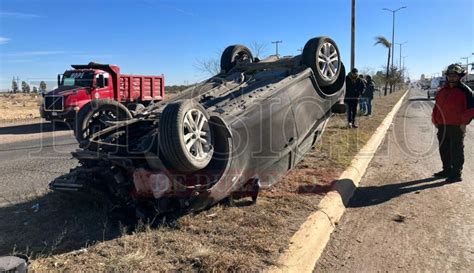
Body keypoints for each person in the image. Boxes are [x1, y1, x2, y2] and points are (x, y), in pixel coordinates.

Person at [432, 64, 474, 182]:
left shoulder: (466, 91)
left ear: (459, 76)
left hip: (456, 126)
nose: (452, 78)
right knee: (443, 149)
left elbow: (471, 109)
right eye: (450, 75)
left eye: (455, 75)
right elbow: (437, 107)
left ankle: (456, 174)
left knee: (456, 150)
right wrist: (435, 120)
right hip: (442, 125)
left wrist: (463, 123)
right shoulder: (441, 91)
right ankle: (446, 170)